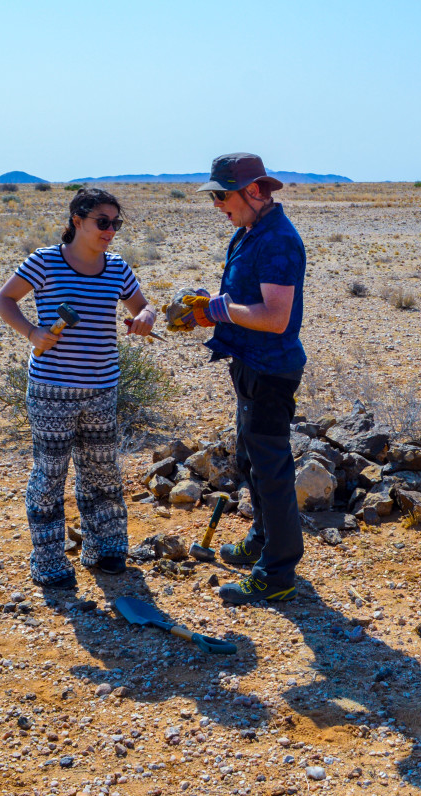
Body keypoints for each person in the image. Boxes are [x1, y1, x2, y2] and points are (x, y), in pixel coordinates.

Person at [0, 188, 157, 589]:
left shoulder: (117, 268)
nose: (110, 230)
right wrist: (32, 332)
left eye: (116, 223)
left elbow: (143, 306)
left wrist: (146, 318)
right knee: (50, 474)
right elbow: (4, 300)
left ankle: (107, 549)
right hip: (52, 389)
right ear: (77, 221)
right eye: (103, 222)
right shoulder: (45, 262)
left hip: (103, 388)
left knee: (102, 470)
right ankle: (48, 561)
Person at [176, 152, 307, 605]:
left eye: (221, 194)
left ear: (254, 191)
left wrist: (217, 310)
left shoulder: (278, 242)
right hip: (248, 364)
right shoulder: (249, 232)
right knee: (252, 461)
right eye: (212, 194)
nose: (216, 203)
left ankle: (278, 572)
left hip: (271, 370)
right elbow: (243, 301)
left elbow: (274, 318)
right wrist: (209, 308)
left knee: (271, 471)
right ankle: (260, 541)